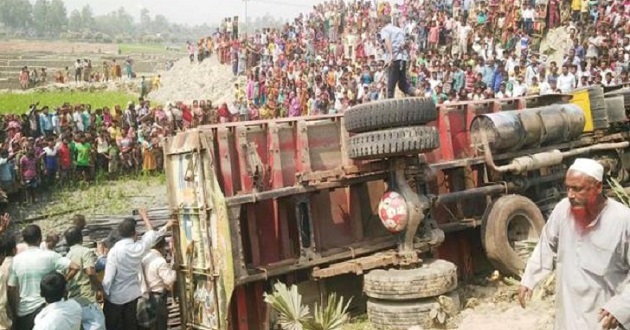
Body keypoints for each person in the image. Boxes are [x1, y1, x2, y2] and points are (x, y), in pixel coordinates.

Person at [519, 158, 630, 329]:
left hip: (603, 319)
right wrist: (529, 278)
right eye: (568, 188)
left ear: (598, 187)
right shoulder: (563, 210)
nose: (570, 195)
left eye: (578, 189)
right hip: (568, 315)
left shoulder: (623, 221)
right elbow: (546, 244)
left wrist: (621, 307)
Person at [102, 209, 173, 330]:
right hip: (132, 296)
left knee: (114, 326)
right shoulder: (138, 249)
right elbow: (152, 235)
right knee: (131, 325)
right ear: (134, 233)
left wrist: (105, 293)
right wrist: (145, 217)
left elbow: (108, 278)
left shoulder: (115, 252)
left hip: (116, 298)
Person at [8, 224, 80, 330]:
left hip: (25, 312)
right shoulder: (50, 256)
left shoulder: (16, 260)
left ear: (24, 240)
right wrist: (62, 281)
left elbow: (11, 289)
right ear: (40, 238)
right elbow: (75, 267)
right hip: (46, 308)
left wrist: (14, 311)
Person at [64, 226, 106, 330]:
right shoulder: (85, 252)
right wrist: (100, 288)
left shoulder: (66, 257)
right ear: (81, 238)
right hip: (88, 300)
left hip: (74, 302)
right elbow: (90, 272)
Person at [138, 235, 176, 330]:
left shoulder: (145, 257)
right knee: (160, 323)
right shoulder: (160, 261)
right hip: (158, 296)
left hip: (147, 295)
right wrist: (175, 269)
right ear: (162, 246)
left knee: (151, 324)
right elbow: (169, 280)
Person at [379, 15, 419, 99]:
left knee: (390, 87)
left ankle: (389, 108)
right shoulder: (400, 30)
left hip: (394, 58)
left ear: (382, 22)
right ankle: (416, 92)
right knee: (402, 84)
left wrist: (390, 55)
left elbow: (387, 41)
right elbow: (405, 45)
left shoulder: (385, 29)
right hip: (403, 59)